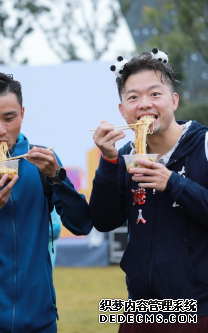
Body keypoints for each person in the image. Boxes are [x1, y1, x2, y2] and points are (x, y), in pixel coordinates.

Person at [0, 72, 93, 332]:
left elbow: (82, 225)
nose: (1, 130)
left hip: (40, 320)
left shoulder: (42, 161)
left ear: (22, 113)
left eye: (9, 118)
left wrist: (57, 177)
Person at [90, 51, 208, 331]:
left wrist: (173, 183)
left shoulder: (203, 146)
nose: (144, 104)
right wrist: (107, 160)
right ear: (122, 110)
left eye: (155, 94)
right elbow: (104, 221)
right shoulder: (124, 157)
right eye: (133, 98)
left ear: (174, 100)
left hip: (199, 307)